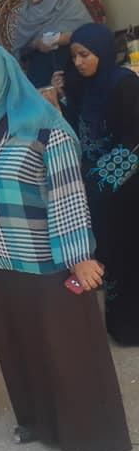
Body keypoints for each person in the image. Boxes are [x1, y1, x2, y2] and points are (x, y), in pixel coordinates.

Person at [0, 42, 131, 451]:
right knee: (21, 349)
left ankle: (88, 436)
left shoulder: (45, 128)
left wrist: (79, 256)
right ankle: (38, 422)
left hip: (48, 263)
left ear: (3, 76)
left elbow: (67, 196)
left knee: (66, 350)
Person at [54, 23, 139, 346]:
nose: (78, 62)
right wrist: (63, 98)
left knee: (130, 252)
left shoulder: (125, 85)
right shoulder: (85, 86)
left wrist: (102, 177)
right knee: (112, 253)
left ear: (102, 52)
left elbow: (135, 138)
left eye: (84, 55)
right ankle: (121, 324)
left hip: (127, 188)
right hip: (98, 189)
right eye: (74, 56)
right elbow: (79, 129)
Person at [12, 0, 93, 87]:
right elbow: (21, 50)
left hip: (75, 69)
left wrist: (60, 39)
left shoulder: (70, 5)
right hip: (41, 77)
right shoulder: (27, 13)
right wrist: (36, 44)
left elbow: (91, 35)